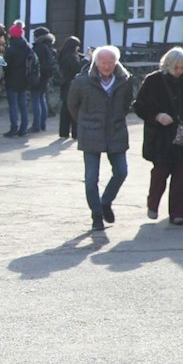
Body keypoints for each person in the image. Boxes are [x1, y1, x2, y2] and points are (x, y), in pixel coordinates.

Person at [132, 47, 183, 225]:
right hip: (160, 136)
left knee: (181, 175)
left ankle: (178, 214)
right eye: (176, 67)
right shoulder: (153, 81)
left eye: (182, 68)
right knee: (160, 173)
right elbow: (139, 106)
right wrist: (157, 116)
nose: (179, 71)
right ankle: (153, 204)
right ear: (168, 66)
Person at [66, 45, 136, 231]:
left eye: (111, 62)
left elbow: (127, 102)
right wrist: (85, 122)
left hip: (116, 131)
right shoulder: (82, 81)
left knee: (121, 172)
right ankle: (96, 215)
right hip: (91, 132)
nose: (107, 66)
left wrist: (116, 118)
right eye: (103, 62)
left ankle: (106, 201)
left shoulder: (124, 80)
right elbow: (72, 105)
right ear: (95, 63)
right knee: (91, 178)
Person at [1, 28, 38, 137]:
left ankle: (13, 128)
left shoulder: (11, 49)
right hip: (24, 80)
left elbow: (5, 65)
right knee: (23, 105)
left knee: (13, 105)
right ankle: (24, 128)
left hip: (12, 80)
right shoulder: (27, 48)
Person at [30, 28, 61, 139]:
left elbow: (35, 63)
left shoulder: (39, 47)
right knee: (42, 98)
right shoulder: (49, 46)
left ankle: (36, 125)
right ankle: (42, 124)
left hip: (39, 76)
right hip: (46, 76)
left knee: (36, 99)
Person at [57, 35, 87, 139]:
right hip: (72, 84)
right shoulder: (71, 57)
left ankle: (64, 132)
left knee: (65, 109)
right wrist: (86, 59)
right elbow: (78, 68)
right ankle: (75, 133)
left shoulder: (65, 54)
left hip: (66, 84)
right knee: (74, 108)